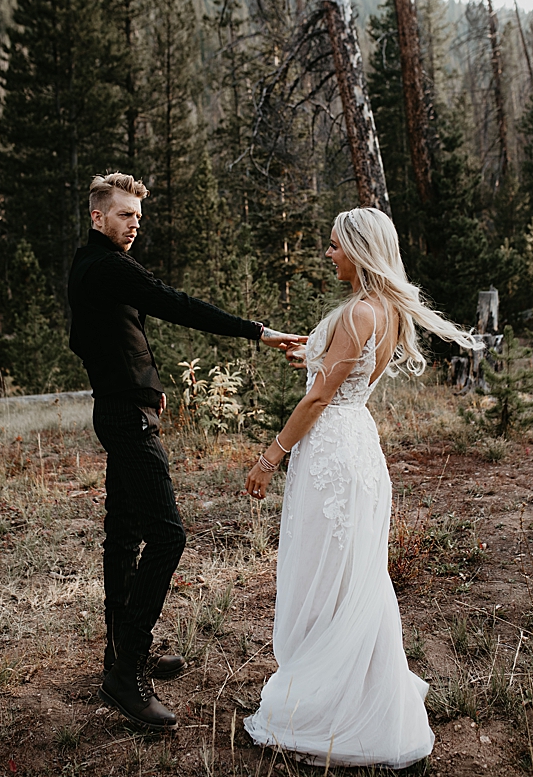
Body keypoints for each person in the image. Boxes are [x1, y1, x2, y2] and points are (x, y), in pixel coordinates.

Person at [67, 172, 305, 729]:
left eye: (138, 217)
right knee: (169, 533)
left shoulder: (89, 267)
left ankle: (120, 656)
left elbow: (94, 336)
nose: (134, 225)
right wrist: (259, 332)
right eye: (125, 215)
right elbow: (175, 304)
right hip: (126, 417)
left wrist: (140, 381)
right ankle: (126, 675)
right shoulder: (106, 266)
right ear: (98, 216)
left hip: (125, 406)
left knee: (124, 536)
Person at [240, 207, 474, 767]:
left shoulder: (356, 313)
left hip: (331, 451)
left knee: (326, 575)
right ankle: (364, 692)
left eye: (335, 245)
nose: (328, 254)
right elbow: (348, 377)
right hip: (358, 446)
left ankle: (330, 707)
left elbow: (319, 399)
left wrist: (270, 457)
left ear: (360, 250)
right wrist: (311, 355)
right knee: (353, 575)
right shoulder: (387, 311)